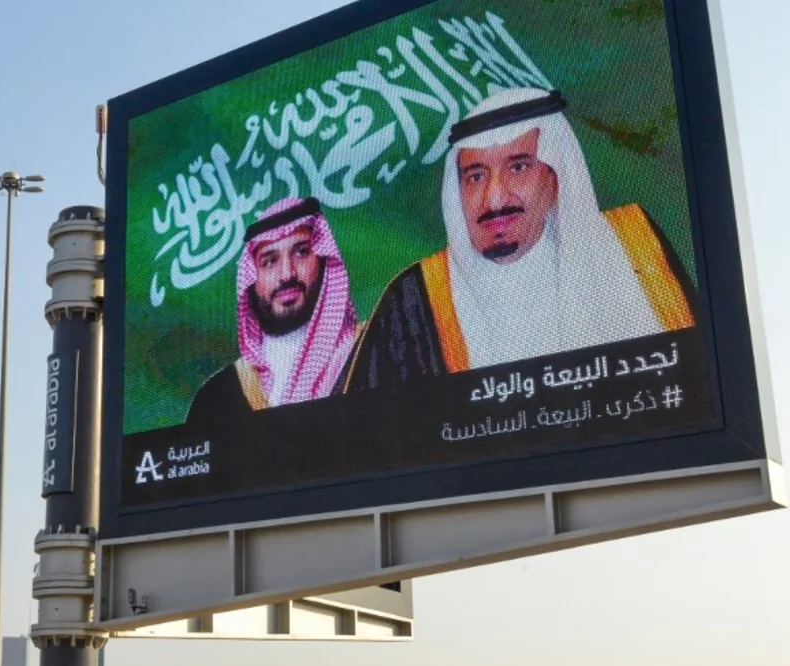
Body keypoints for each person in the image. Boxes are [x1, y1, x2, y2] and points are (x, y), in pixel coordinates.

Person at [346, 87, 695, 390]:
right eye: (475, 176)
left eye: (518, 167)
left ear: (554, 177)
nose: (495, 200)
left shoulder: (633, 245)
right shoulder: (415, 299)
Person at [187, 196, 357, 425]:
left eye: (301, 252)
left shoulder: (369, 348)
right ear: (251, 280)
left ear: (323, 260)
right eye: (269, 261)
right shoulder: (217, 397)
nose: (287, 274)